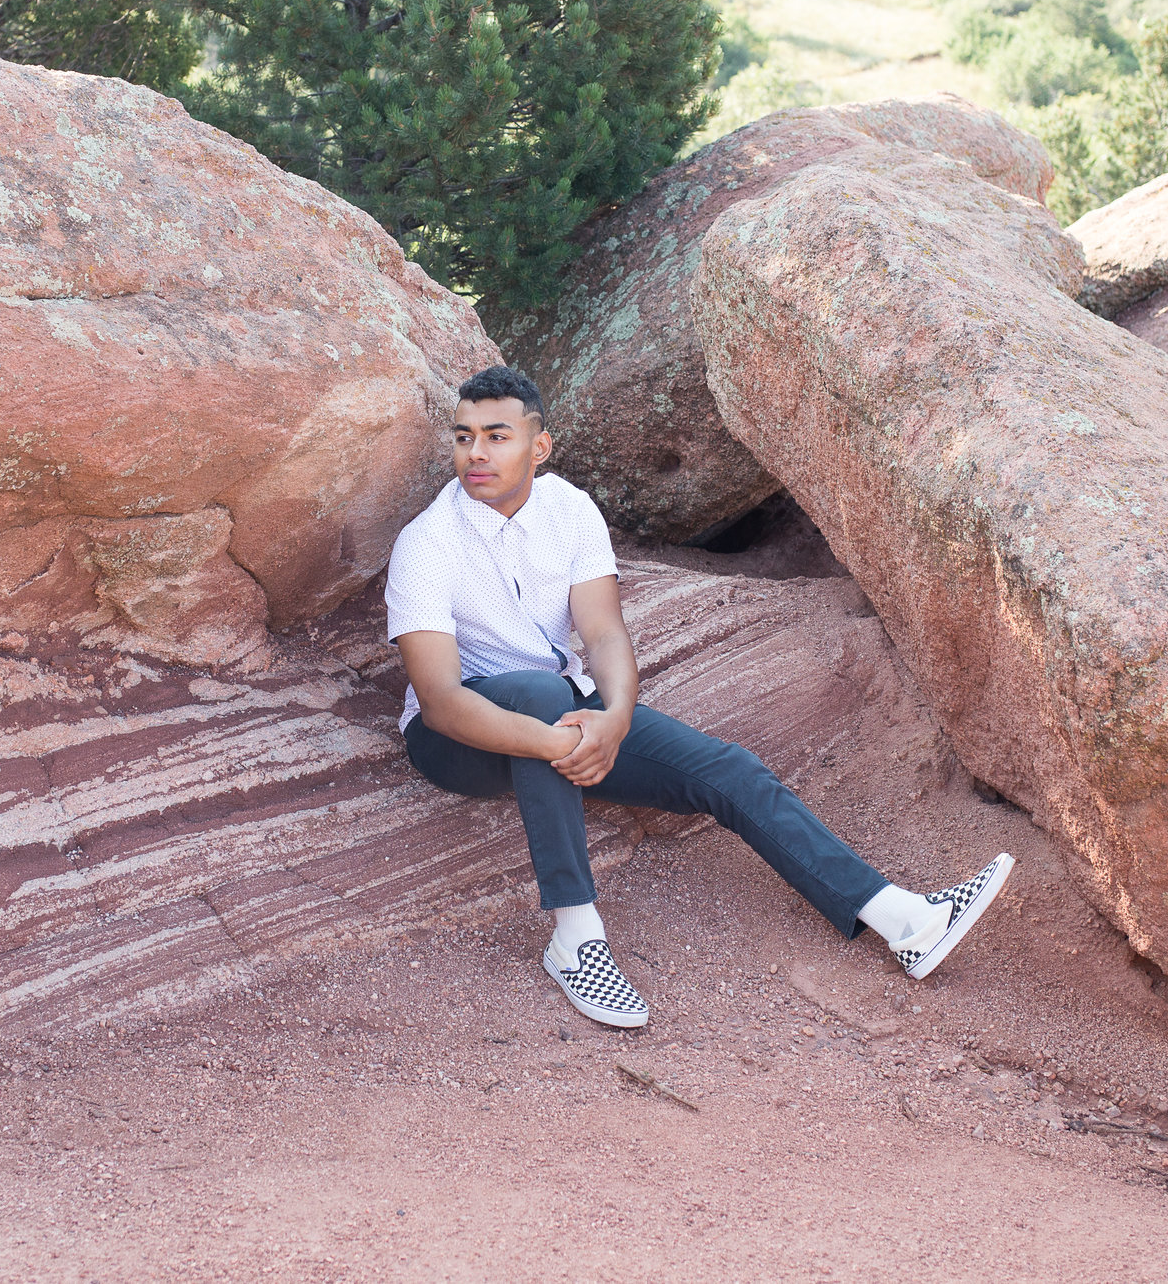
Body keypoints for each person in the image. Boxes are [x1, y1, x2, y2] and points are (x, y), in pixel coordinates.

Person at [386, 364, 1012, 1028]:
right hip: (453, 740)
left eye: (496, 436)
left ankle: (904, 919)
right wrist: (561, 740)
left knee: (726, 769)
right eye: (463, 437)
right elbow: (441, 697)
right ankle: (575, 936)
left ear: (538, 447)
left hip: (572, 712)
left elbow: (603, 631)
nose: (476, 453)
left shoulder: (569, 512)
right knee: (542, 692)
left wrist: (615, 719)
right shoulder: (427, 542)